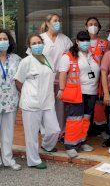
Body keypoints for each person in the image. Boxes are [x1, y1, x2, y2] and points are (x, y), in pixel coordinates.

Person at [15, 34, 60, 169]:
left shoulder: (48, 59)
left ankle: (47, 145)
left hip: (47, 101)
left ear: (43, 44)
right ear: (29, 46)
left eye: (39, 42)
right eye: (34, 43)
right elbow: (18, 81)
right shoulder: (26, 62)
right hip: (31, 102)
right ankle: (33, 160)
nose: (37, 45)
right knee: (32, 134)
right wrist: (27, 94)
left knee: (54, 129)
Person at [57, 31, 100, 158]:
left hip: (91, 92)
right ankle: (70, 145)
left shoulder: (93, 55)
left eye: (87, 40)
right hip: (77, 93)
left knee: (86, 119)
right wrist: (61, 89)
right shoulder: (69, 56)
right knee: (74, 119)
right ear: (76, 41)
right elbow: (63, 74)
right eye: (82, 40)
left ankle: (81, 141)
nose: (85, 42)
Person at [38, 13, 73, 134]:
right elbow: (32, 57)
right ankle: (46, 132)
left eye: (59, 20)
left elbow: (71, 59)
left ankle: (60, 132)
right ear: (48, 23)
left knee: (60, 107)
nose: (58, 23)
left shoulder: (65, 39)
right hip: (44, 79)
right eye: (55, 20)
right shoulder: (40, 38)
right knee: (46, 106)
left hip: (61, 79)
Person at [0, 29, 22, 171]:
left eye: (4, 39)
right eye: (0, 39)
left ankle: (8, 159)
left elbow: (21, 80)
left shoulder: (16, 59)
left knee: (8, 132)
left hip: (11, 100)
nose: (3, 42)